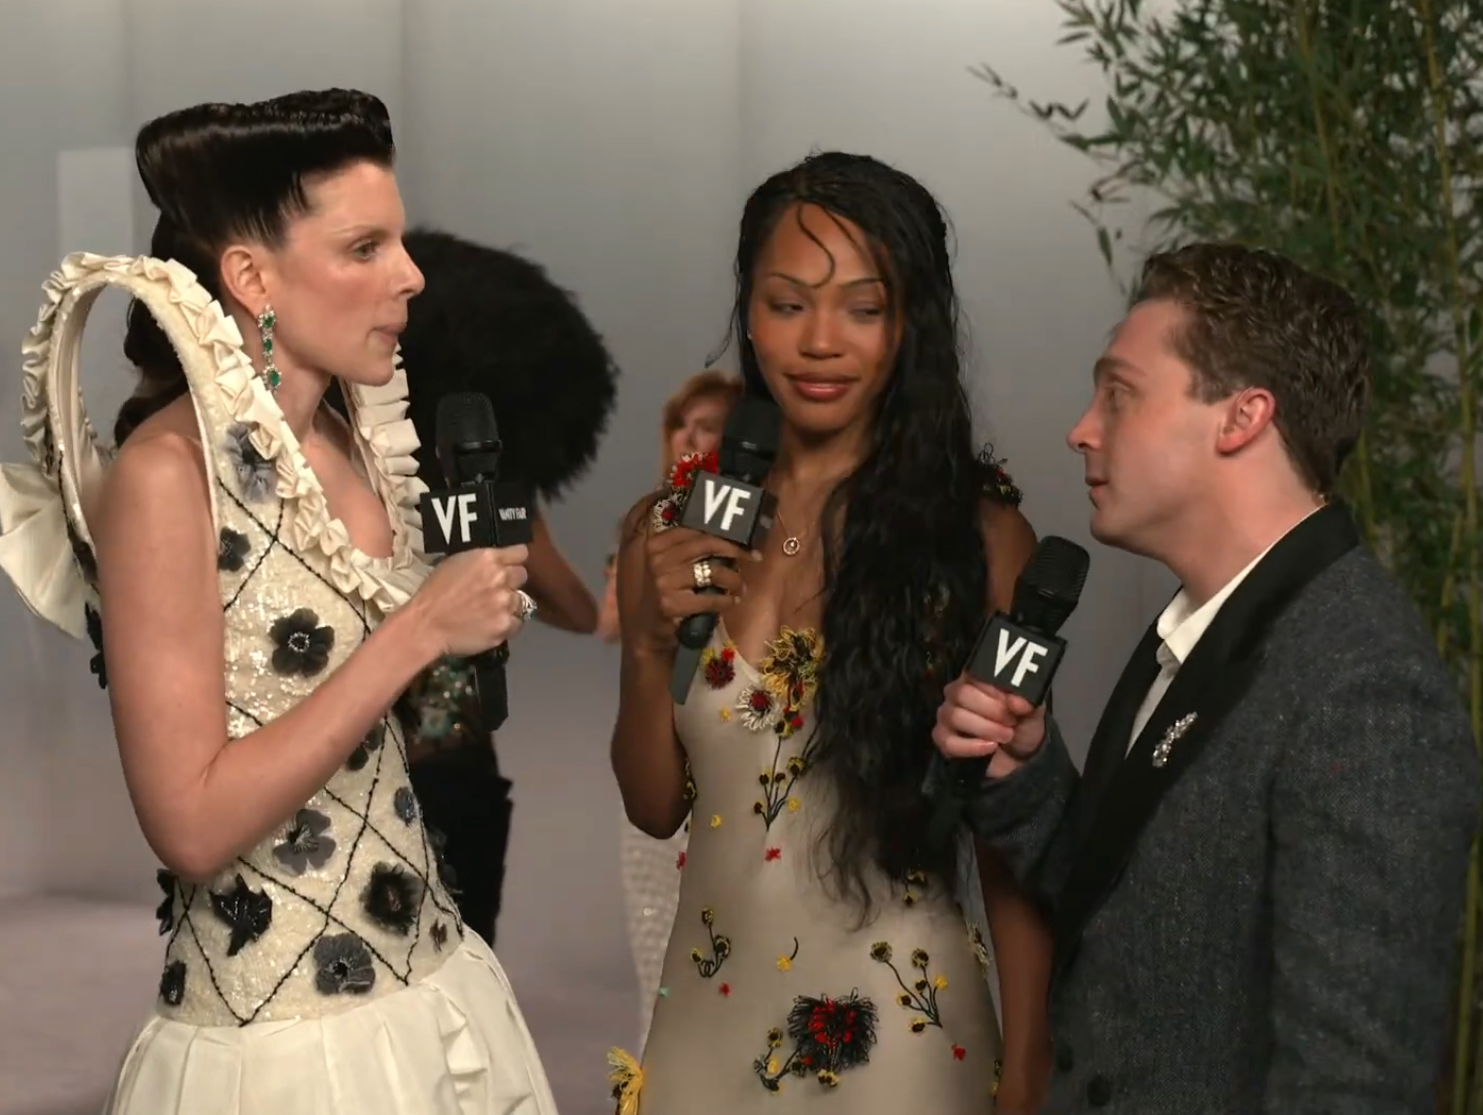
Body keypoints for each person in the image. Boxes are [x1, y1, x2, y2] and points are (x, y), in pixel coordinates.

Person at [0, 90, 557, 1115]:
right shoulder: (167, 475)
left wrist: (457, 658)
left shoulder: (356, 437)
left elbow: (379, 736)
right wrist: (417, 631)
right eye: (364, 247)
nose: (410, 274)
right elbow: (190, 823)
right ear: (251, 277)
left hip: (432, 979)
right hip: (280, 1038)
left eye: (398, 241)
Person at [931, 242, 1479, 1113]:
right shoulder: (1200, 626)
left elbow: (1351, 1085)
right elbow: (1144, 926)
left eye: (1119, 393)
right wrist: (1023, 774)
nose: (1081, 428)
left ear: (1241, 417)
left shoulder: (1364, 689)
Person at [607, 152, 1053, 1113]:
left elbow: (1009, 838)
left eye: (862, 308)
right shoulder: (671, 527)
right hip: (700, 1036)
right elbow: (653, 806)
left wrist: (1027, 1068)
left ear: (910, 324)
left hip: (903, 1041)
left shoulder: (978, 540)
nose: (818, 342)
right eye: (787, 303)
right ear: (749, 311)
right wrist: (645, 649)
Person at [333, 225, 618, 950]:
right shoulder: (351, 480)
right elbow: (577, 610)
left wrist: (496, 568)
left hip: (432, 768)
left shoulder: (474, 497)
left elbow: (575, 609)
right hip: (371, 768)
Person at [603, 370, 742, 1051]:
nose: (690, 436)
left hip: (739, 768)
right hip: (658, 753)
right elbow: (610, 624)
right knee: (660, 958)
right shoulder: (648, 524)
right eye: (681, 425)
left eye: (708, 426)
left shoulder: (769, 528)